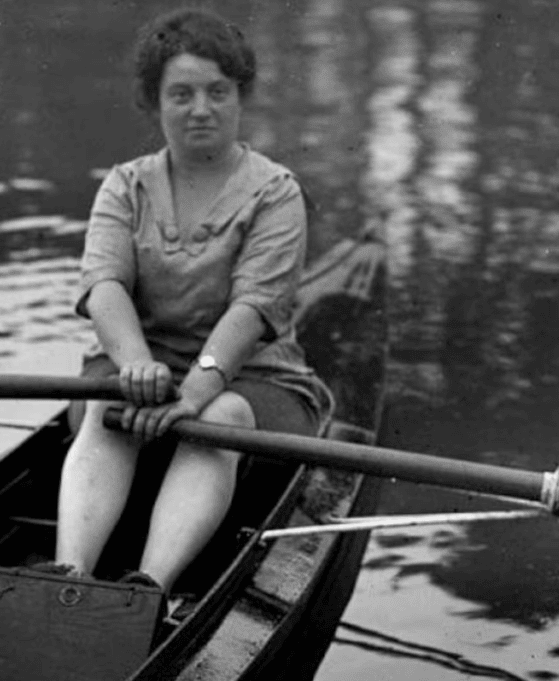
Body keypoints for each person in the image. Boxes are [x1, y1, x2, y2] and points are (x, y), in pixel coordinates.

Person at [54, 8, 333, 597]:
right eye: (180, 94)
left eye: (217, 92)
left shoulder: (276, 192)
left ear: (239, 98)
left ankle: (147, 589)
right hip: (142, 381)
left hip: (254, 383)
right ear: (154, 104)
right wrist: (134, 365)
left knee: (218, 419)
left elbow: (254, 309)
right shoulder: (125, 185)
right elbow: (103, 286)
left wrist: (197, 391)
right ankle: (66, 578)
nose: (200, 109)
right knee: (108, 408)